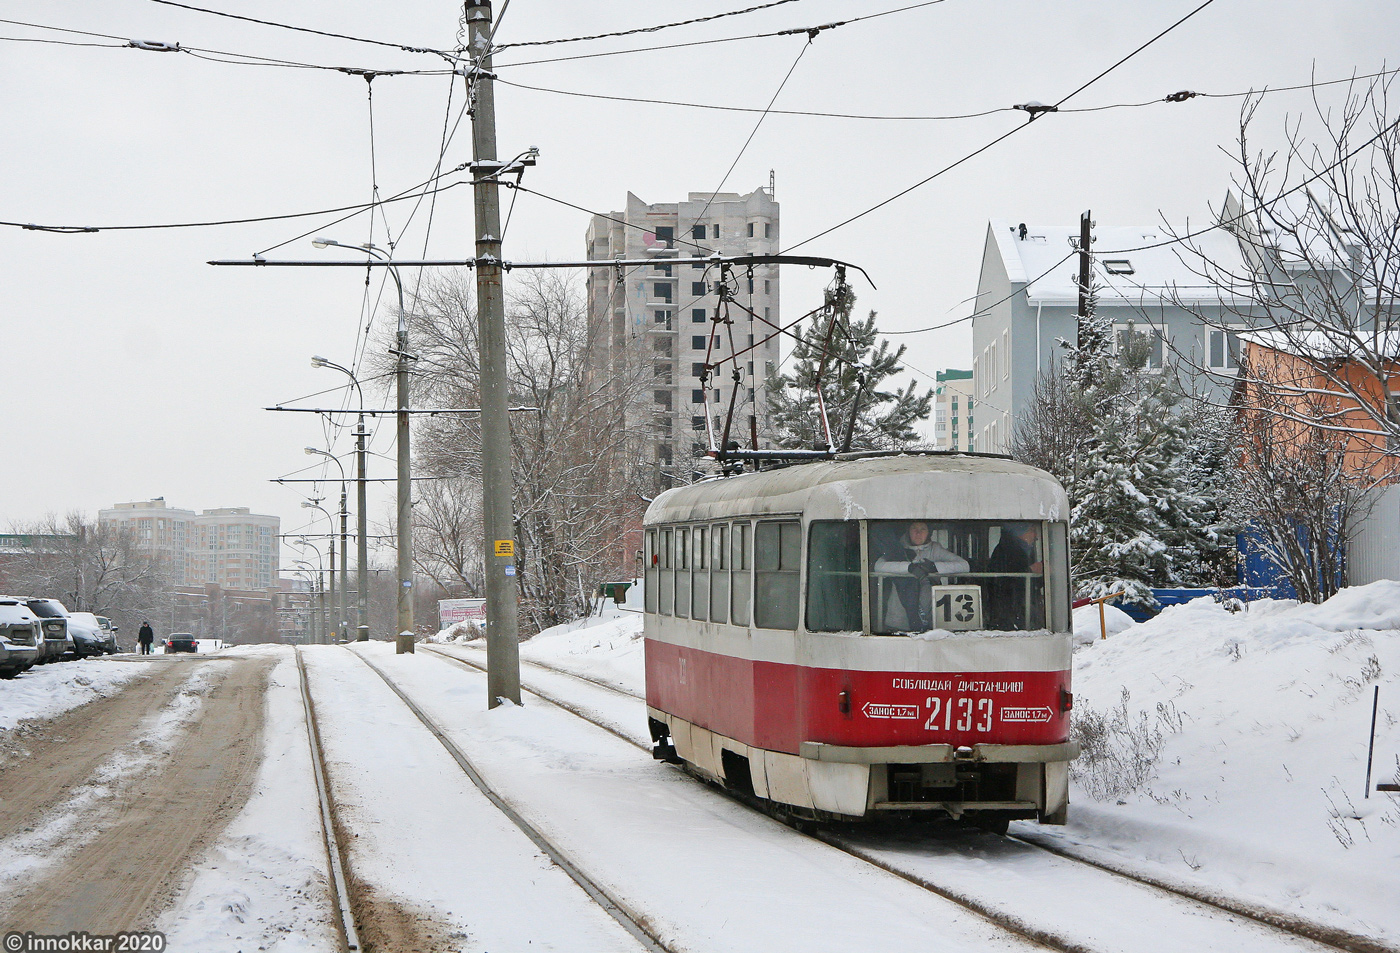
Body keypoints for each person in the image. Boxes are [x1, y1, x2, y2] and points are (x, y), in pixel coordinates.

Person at [873, 521, 970, 630]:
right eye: (914, 528)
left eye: (923, 529)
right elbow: (879, 566)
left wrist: (934, 567)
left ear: (929, 532)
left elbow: (964, 565)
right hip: (899, 613)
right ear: (908, 531)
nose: (918, 533)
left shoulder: (935, 549)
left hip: (929, 609)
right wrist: (909, 568)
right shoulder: (897, 549)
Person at [987, 523, 1043, 629]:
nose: (1036, 536)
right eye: (1032, 530)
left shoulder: (1018, 550)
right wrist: (1030, 571)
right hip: (1011, 612)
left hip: (1013, 611)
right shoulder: (1010, 551)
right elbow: (1008, 584)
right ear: (1019, 532)